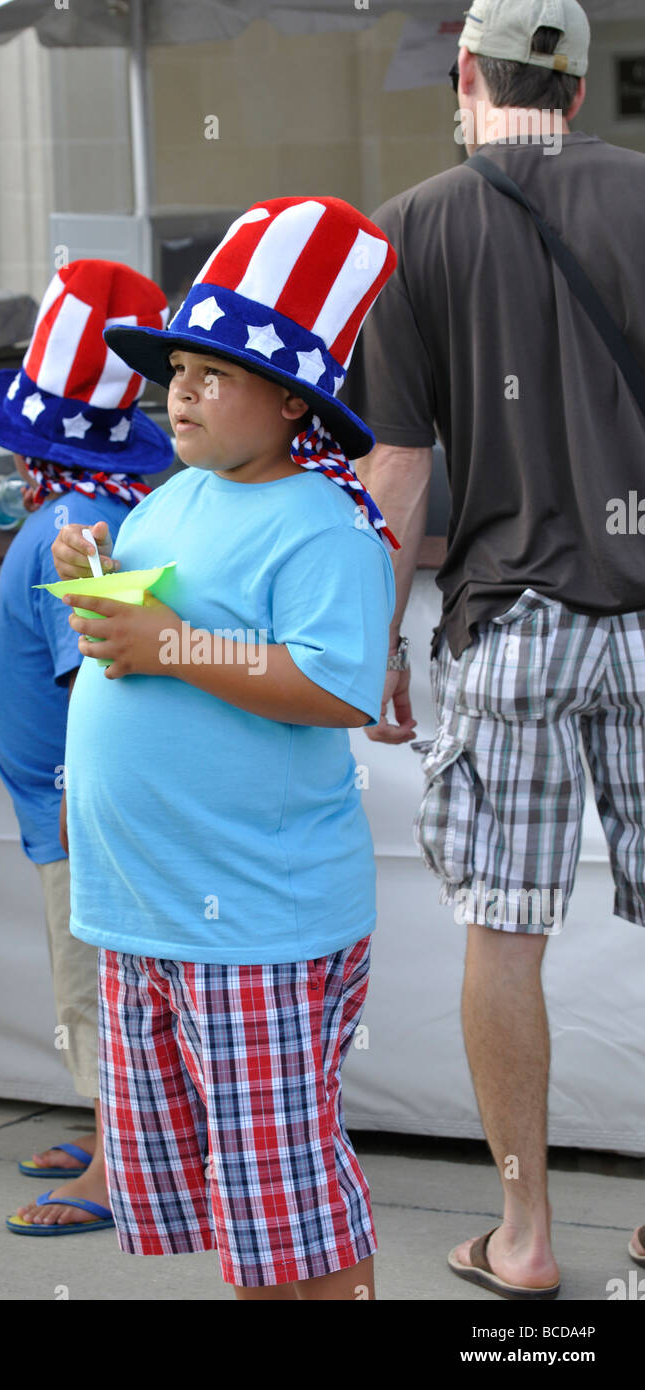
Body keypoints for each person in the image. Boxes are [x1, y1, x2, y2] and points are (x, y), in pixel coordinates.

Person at [51, 196, 399, 1299]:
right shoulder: (167, 500)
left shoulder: (324, 526)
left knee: (288, 1209)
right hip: (146, 911)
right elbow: (141, 654)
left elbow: (331, 686)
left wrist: (168, 642)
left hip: (255, 920)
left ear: (290, 400)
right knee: (237, 1216)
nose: (181, 393)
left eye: (214, 375)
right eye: (176, 372)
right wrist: (100, 584)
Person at [352, 0, 645, 1297]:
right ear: (576, 88)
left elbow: (398, 470)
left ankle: (522, 1236)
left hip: (508, 623)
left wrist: (377, 647)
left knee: (502, 928)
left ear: (463, 73)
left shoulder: (409, 228)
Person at [0, 259, 174, 1235]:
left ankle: (114, 1169)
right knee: (95, 978)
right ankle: (112, 1130)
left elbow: (101, 688)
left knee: (95, 985)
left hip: (76, 815)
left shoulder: (74, 527)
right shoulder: (92, 513)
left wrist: (85, 821)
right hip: (66, 812)